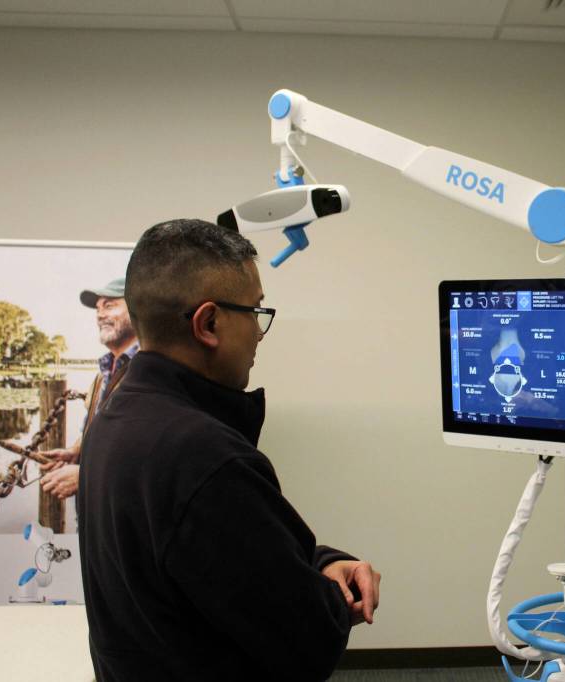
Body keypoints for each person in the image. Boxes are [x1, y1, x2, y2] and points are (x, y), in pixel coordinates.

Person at [77, 219, 380, 681]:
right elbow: (308, 639)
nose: (259, 333)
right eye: (255, 311)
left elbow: (222, 560)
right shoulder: (205, 460)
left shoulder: (116, 419)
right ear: (210, 323)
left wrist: (322, 562)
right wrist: (336, 596)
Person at [39, 277, 139, 500]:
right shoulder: (102, 373)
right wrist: (76, 451)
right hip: (95, 508)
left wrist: (85, 476)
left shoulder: (151, 370)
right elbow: (99, 427)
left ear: (137, 309)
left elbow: (150, 453)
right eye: (98, 308)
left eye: (109, 305)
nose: (100, 314)